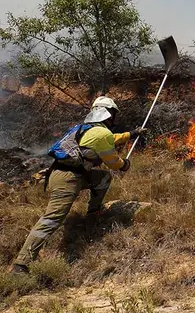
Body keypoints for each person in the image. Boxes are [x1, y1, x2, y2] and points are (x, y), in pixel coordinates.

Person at [10, 97, 144, 274]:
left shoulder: (85, 128)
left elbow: (111, 138)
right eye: (113, 114)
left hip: (67, 174)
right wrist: (124, 164)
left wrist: (131, 134)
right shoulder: (100, 133)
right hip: (68, 179)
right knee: (52, 219)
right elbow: (113, 162)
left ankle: (93, 212)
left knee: (102, 178)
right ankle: (22, 264)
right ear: (109, 114)